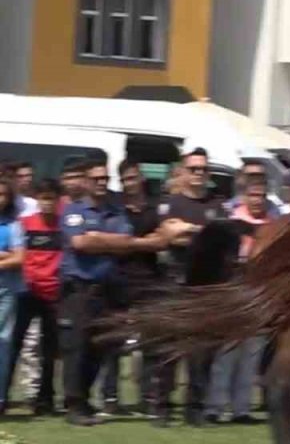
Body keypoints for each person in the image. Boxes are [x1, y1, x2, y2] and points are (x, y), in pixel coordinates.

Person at [59, 160, 192, 426]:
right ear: (85, 181)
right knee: (79, 348)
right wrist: (108, 241)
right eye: (95, 178)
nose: (100, 183)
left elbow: (126, 244)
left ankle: (84, 402)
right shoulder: (74, 210)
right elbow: (81, 242)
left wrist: (103, 239)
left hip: (107, 288)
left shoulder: (114, 211)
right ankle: (74, 405)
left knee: (100, 347)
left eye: (104, 179)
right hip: (80, 288)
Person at [157, 148, 227, 427]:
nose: (198, 174)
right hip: (175, 284)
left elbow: (220, 240)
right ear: (183, 172)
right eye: (193, 169)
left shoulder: (217, 205)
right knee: (169, 349)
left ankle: (195, 409)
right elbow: (168, 236)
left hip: (205, 288)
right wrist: (202, 232)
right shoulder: (170, 203)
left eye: (203, 169)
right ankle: (161, 407)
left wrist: (187, 230)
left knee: (202, 353)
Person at [206, 175, 276, 425]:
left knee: (252, 354)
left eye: (261, 195)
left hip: (259, 292)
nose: (258, 200)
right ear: (245, 196)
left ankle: (241, 409)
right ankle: (215, 406)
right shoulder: (232, 220)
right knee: (227, 351)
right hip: (233, 288)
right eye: (253, 195)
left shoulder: (272, 223)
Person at [110, 159, 172, 422]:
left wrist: (128, 243)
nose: (129, 183)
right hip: (119, 279)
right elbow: (111, 242)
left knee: (152, 344)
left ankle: (151, 399)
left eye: (133, 178)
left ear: (141, 179)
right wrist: (141, 242)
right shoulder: (115, 208)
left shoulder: (155, 208)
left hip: (149, 281)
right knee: (112, 341)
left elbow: (163, 240)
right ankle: (109, 398)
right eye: (124, 179)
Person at [10, 180, 60, 416]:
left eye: (51, 198)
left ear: (57, 199)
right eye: (43, 198)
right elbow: (17, 253)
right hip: (27, 292)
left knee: (49, 352)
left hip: (54, 295)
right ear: (37, 200)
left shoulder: (64, 226)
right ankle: (4, 395)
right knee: (13, 346)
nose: (47, 203)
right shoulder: (25, 224)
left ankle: (45, 400)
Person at [0, 179, 24, 415]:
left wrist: (8, 257)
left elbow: (19, 258)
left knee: (2, 344)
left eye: (2, 195)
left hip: (5, 291)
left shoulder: (13, 225)